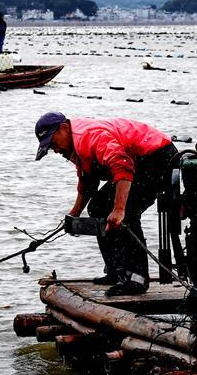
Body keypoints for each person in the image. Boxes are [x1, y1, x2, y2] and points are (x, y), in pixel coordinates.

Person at [34, 112, 178, 296]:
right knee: (97, 207)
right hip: (138, 162)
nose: (55, 150)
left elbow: (123, 166)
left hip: (158, 156)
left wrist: (119, 210)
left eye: (53, 143)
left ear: (64, 128)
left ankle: (137, 279)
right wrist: (74, 214)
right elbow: (88, 182)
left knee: (127, 213)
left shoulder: (90, 136)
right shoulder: (77, 145)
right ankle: (116, 271)